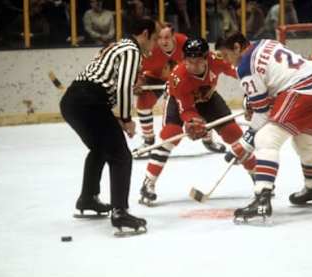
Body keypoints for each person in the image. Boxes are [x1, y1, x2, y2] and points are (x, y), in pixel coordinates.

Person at [216, 32, 312, 221]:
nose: (226, 61)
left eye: (226, 55)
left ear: (237, 48)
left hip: (303, 88)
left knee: (265, 139)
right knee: (304, 142)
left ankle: (262, 199)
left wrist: (244, 144)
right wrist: (257, 105)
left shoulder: (245, 66)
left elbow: (262, 114)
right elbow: (277, 82)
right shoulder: (265, 42)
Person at [60, 17, 159, 233]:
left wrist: (117, 115)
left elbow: (109, 85)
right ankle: (120, 212)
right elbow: (124, 86)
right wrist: (126, 119)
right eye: (154, 38)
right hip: (89, 101)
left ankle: (88, 198)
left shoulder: (118, 46)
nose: (155, 44)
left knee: (100, 149)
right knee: (121, 155)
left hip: (72, 102)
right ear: (144, 34)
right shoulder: (132, 50)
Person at [139, 37, 256, 205]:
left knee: (233, 133)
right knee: (170, 135)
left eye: (198, 61)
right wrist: (193, 121)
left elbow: (240, 72)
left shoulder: (217, 60)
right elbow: (186, 109)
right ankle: (148, 183)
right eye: (189, 61)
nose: (193, 66)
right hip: (179, 101)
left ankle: (257, 176)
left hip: (208, 100)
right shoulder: (178, 77)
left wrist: (252, 94)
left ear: (206, 57)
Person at [134, 23, 225, 155]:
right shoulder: (150, 49)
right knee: (143, 102)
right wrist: (137, 80)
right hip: (156, 77)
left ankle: (208, 139)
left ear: (174, 37)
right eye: (160, 38)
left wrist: (211, 85)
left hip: (183, 80)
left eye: (167, 37)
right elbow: (137, 69)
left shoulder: (185, 42)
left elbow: (207, 62)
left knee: (202, 101)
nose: (163, 41)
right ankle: (148, 141)